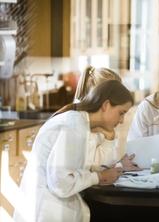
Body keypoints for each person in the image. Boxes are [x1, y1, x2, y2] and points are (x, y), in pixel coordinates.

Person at [13, 80, 134, 222]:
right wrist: (99, 177)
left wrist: (109, 139)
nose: (122, 120)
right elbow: (60, 183)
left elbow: (93, 166)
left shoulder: (81, 124)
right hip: (47, 214)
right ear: (106, 105)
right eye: (121, 113)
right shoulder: (73, 126)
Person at [73, 65, 139, 172]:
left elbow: (102, 161)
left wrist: (119, 164)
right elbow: (91, 167)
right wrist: (109, 138)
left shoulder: (102, 118)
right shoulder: (82, 122)